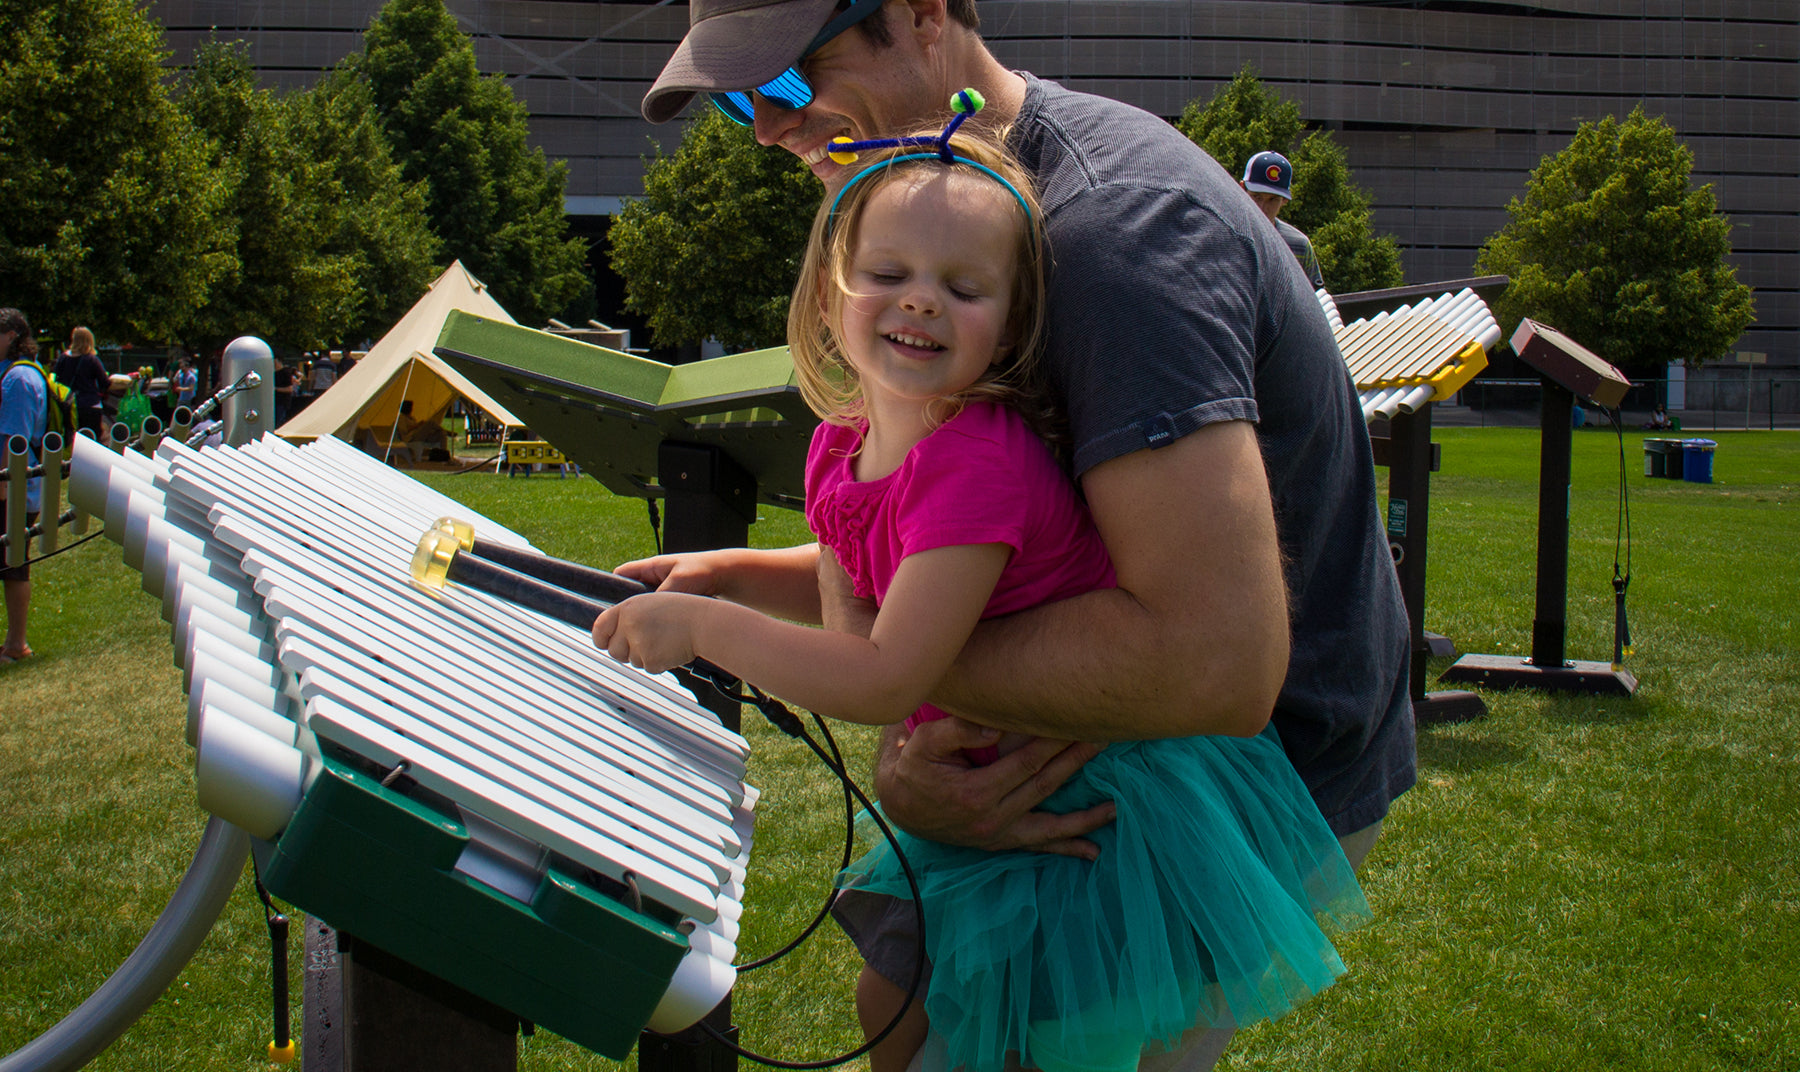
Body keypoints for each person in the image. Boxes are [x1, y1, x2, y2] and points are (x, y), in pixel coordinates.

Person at [642, 2, 1414, 1066]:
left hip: (1213, 786)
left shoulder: (1112, 239)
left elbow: (1214, 662)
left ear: (921, 18)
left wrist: (902, 691)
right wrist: (741, 581)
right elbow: (973, 550)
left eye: (789, 82)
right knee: (904, 1020)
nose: (771, 128)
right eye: (739, 104)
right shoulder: (946, 214)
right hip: (1101, 738)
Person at [0, 308, 47, 664]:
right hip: (16, 489)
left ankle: (17, 645)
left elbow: (14, 441)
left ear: (13, 335)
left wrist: (4, 491)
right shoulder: (17, 374)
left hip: (11, 489)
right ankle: (14, 644)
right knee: (12, 564)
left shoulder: (18, 379)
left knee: (14, 564)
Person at [1240, 150, 1325, 290]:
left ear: (1285, 199)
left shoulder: (1299, 245)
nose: (1262, 207)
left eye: (1273, 199)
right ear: (1242, 188)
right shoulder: (1223, 237)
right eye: (1257, 197)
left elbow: (1317, 301)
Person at [55, 326, 110, 442]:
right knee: (93, 442)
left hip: (68, 406)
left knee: (71, 441)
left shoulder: (63, 359)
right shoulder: (91, 360)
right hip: (90, 405)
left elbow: (57, 381)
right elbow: (104, 383)